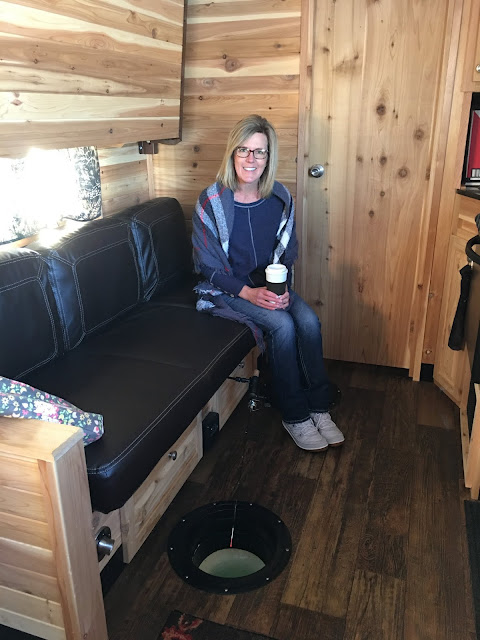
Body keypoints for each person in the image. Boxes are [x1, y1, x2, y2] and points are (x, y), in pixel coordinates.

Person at [192, 114, 344, 452]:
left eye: (259, 151)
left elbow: (286, 253)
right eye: (243, 150)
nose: (251, 159)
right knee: (283, 326)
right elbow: (207, 267)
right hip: (228, 289)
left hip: (269, 285)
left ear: (269, 156)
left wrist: (282, 290)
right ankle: (295, 415)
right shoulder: (211, 202)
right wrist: (248, 292)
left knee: (308, 321)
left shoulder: (279, 197)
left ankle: (318, 407)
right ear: (232, 153)